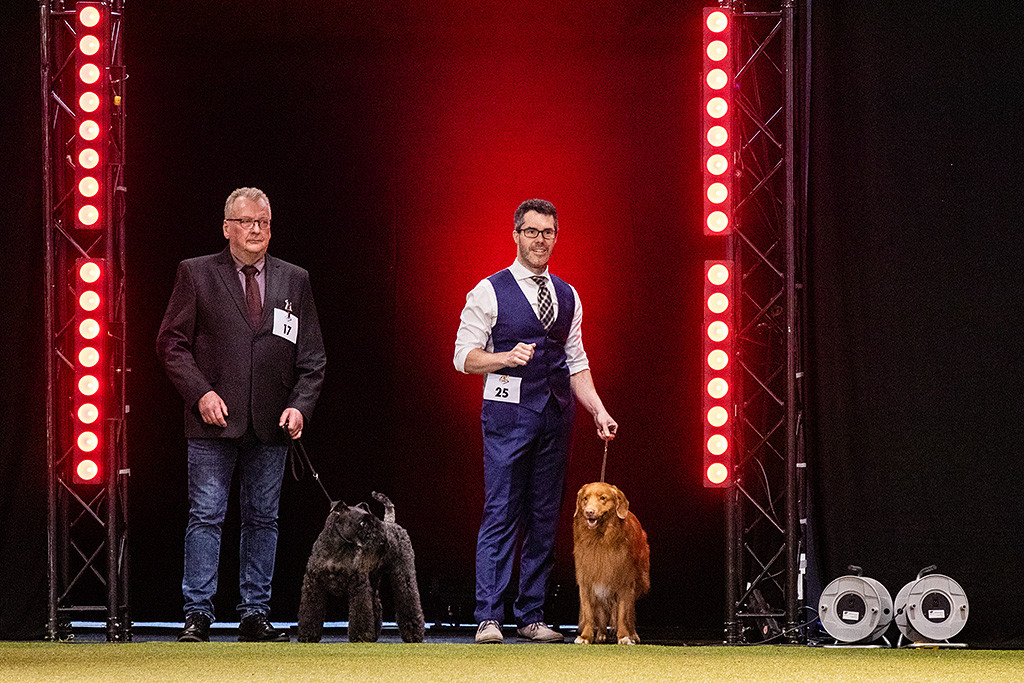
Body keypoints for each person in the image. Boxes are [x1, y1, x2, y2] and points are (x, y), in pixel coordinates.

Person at [157, 187, 326, 642]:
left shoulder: (295, 279)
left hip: (272, 422)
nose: (256, 230)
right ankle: (197, 613)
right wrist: (200, 394)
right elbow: (171, 344)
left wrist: (300, 405)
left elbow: (312, 357)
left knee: (263, 519)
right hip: (213, 420)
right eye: (247, 222)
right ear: (226, 228)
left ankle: (254, 612)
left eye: (263, 222)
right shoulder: (196, 273)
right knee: (206, 515)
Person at [454, 198, 617, 644]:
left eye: (547, 233)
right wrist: (504, 357)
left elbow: (576, 360)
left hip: (556, 415)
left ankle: (531, 615)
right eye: (531, 232)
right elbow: (463, 357)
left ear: (555, 237)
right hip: (508, 416)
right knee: (502, 511)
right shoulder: (489, 291)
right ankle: (489, 616)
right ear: (516, 235)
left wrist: (598, 409)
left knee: (545, 516)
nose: (539, 240)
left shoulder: (567, 294)